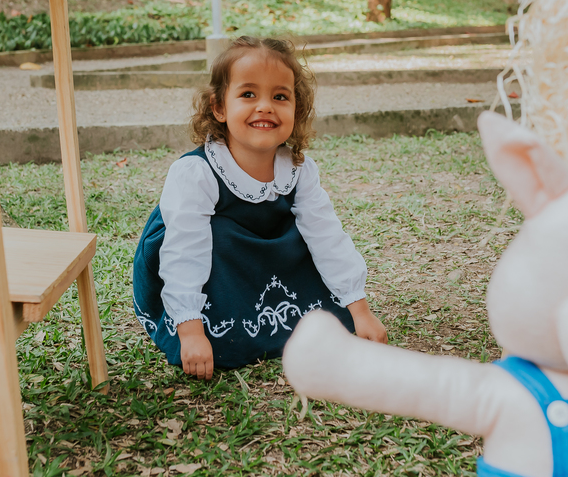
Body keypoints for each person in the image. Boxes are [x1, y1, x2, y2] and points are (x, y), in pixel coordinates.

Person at [132, 36, 387, 379]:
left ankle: (276, 319)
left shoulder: (298, 169)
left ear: (296, 110)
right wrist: (190, 331)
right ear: (218, 107)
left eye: (280, 96)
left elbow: (327, 236)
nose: (265, 106)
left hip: (262, 254)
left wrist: (360, 309)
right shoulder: (196, 173)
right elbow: (184, 251)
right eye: (248, 94)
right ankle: (218, 325)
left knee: (312, 260)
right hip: (211, 262)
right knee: (220, 237)